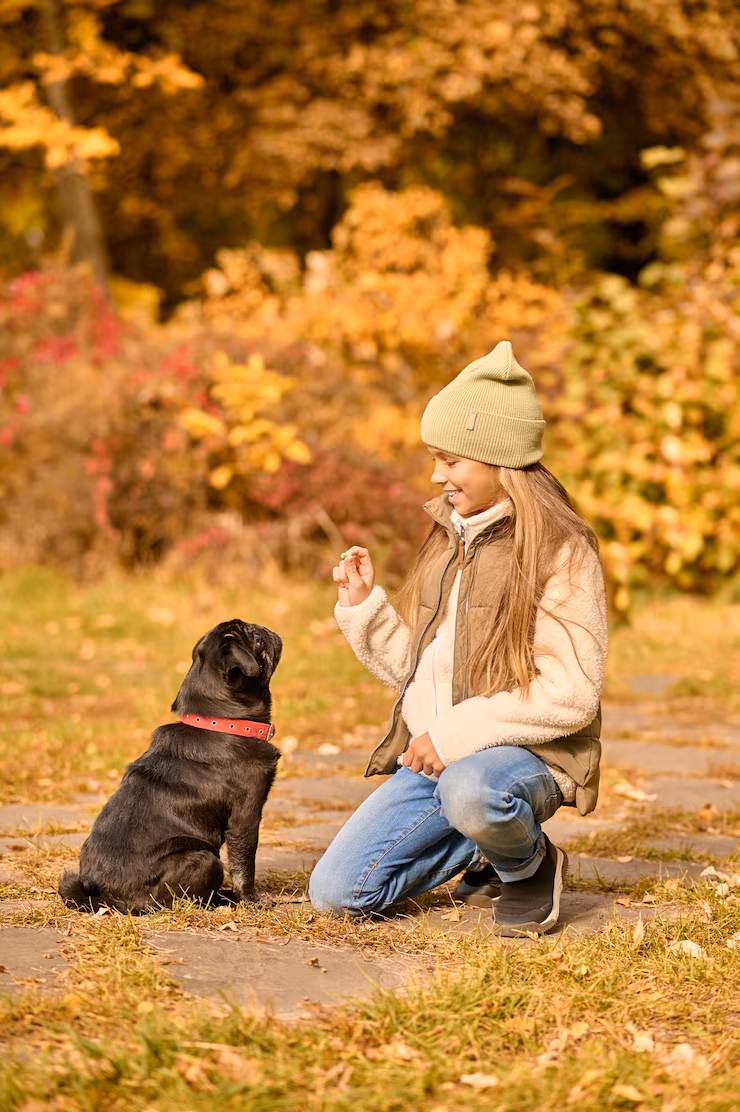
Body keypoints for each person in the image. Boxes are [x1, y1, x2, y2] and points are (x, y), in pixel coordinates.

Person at [308, 341, 608, 934]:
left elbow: (573, 692)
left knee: (473, 790)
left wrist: (456, 734)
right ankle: (483, 846)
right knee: (339, 894)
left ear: (500, 461)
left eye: (450, 460)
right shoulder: (448, 540)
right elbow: (415, 670)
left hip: (515, 759)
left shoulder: (562, 551)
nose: (435, 474)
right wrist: (365, 608)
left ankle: (528, 864)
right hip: (436, 763)